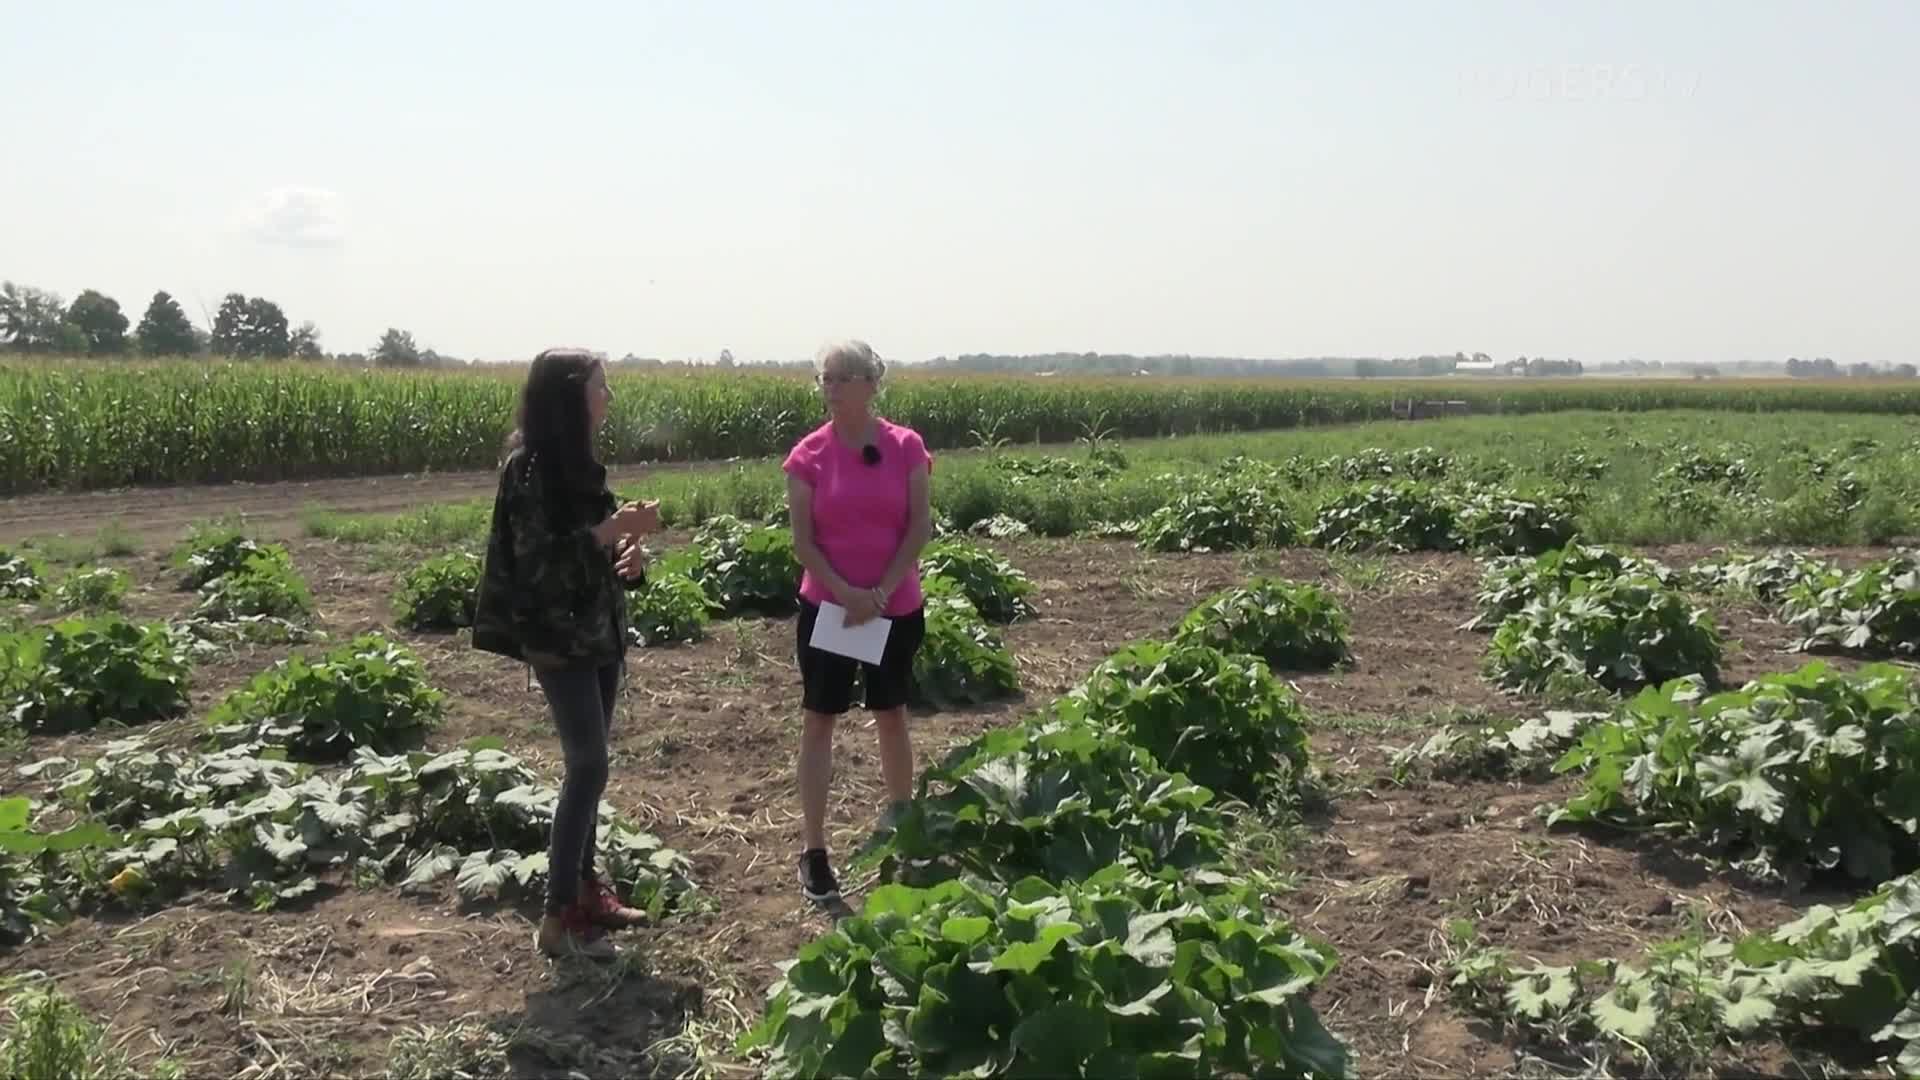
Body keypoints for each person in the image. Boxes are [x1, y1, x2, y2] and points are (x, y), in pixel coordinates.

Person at [472, 347, 660, 959]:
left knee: (593, 765)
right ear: (569, 397)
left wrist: (630, 560)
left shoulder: (584, 468)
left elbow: (596, 556)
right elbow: (538, 564)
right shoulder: (527, 471)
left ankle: (586, 890)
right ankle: (557, 918)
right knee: (588, 765)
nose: (608, 397)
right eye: (600, 387)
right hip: (557, 638)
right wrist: (606, 535)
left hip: (599, 632)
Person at [782, 339, 934, 904]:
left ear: (872, 383)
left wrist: (881, 591)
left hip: (893, 608)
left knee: (891, 714)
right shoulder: (809, 456)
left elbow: (919, 526)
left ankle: (904, 832)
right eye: (826, 377)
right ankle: (815, 850)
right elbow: (804, 542)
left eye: (845, 376)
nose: (833, 387)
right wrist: (847, 594)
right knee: (820, 719)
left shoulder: (906, 447)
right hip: (830, 611)